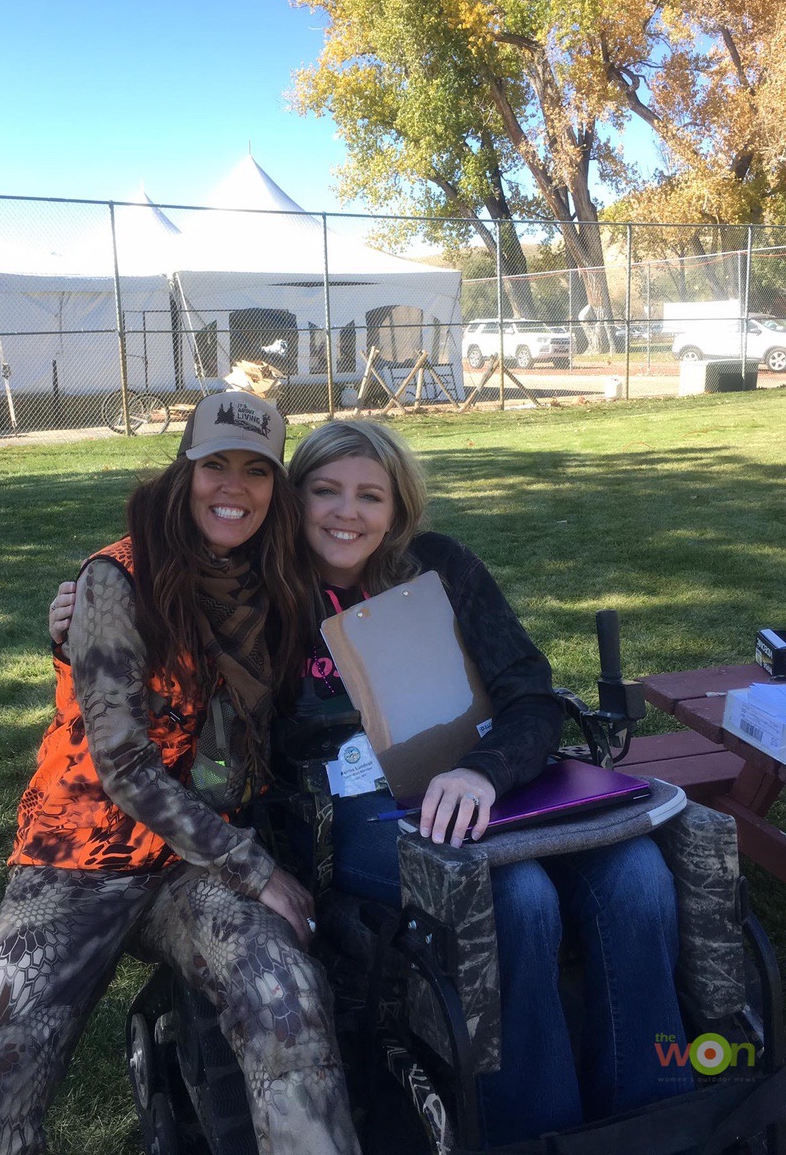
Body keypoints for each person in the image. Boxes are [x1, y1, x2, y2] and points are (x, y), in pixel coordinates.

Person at [49, 419, 693, 1147]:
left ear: (398, 508)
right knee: (516, 893)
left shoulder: (436, 567)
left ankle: (662, 1116)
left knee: (636, 874)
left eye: (369, 496)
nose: (346, 513)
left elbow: (531, 694)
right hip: (345, 816)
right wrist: (75, 615)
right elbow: (146, 627)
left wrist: (483, 773)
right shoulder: (254, 590)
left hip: (485, 784)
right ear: (294, 502)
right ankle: (535, 1132)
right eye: (324, 491)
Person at [0, 391, 362, 1155]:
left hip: (191, 867)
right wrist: (257, 870)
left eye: (255, 471)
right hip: (81, 861)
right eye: (214, 464)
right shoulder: (116, 580)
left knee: (286, 1000)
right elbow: (122, 763)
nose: (233, 487)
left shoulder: (273, 580)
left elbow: (369, 553)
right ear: (183, 470)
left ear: (274, 488)